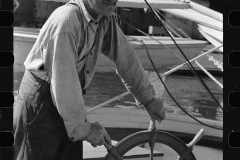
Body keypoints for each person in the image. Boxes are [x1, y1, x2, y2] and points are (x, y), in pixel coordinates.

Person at [13, 0, 166, 159]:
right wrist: (84, 129)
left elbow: (125, 58)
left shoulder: (104, 19)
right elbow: (63, 82)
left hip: (68, 102)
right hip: (39, 106)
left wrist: (148, 99)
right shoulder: (66, 22)